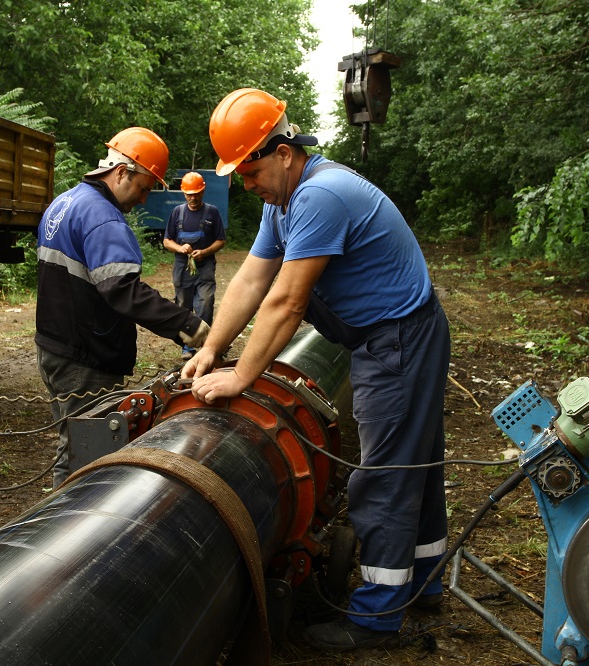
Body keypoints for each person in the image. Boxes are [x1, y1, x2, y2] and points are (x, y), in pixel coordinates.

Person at [183, 88, 451, 650]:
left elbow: (286, 302)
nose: (245, 184)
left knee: (385, 475)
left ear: (283, 152)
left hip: (397, 339)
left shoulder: (320, 196)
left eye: (249, 170)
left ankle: (377, 621)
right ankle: (422, 584)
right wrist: (211, 347)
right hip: (395, 333)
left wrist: (239, 378)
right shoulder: (282, 202)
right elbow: (252, 280)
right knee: (414, 461)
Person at [36, 127, 210, 488]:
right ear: (121, 172)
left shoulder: (65, 201)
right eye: (144, 188)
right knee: (87, 453)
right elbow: (122, 290)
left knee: (70, 442)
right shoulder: (103, 217)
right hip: (84, 356)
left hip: (53, 346)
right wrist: (188, 324)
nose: (144, 199)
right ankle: (69, 531)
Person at [162, 171, 226, 360]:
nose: (193, 197)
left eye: (196, 193)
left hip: (205, 267)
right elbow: (167, 241)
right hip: (182, 268)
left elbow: (221, 240)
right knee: (183, 306)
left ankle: (207, 346)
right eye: (189, 193)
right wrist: (180, 248)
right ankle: (187, 346)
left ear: (203, 191)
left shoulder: (212, 212)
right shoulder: (177, 213)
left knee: (205, 303)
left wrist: (204, 252)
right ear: (183, 193)